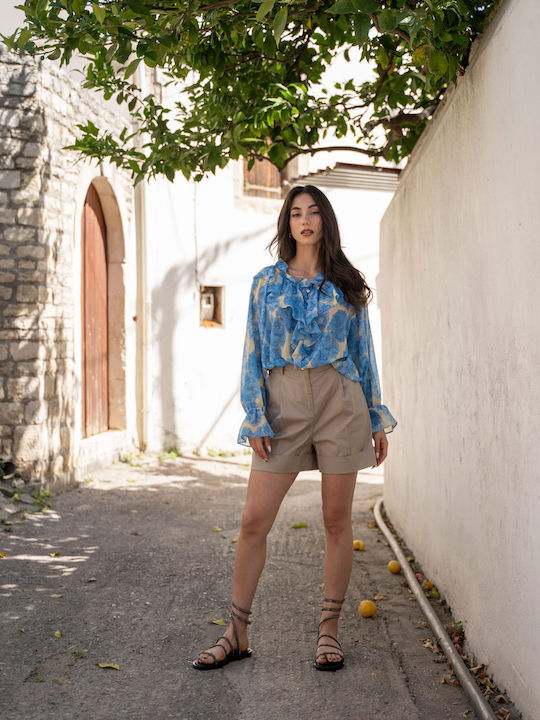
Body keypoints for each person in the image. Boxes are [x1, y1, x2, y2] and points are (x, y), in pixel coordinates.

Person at [193, 184, 397, 672]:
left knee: (335, 521)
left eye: (313, 213)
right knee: (252, 520)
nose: (304, 221)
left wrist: (375, 416)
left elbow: (364, 352)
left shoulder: (348, 284)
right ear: (287, 223)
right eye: (295, 214)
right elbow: (252, 351)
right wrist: (255, 413)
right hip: (281, 401)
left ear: (325, 221)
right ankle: (237, 631)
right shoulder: (266, 283)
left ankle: (329, 630)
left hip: (341, 398)